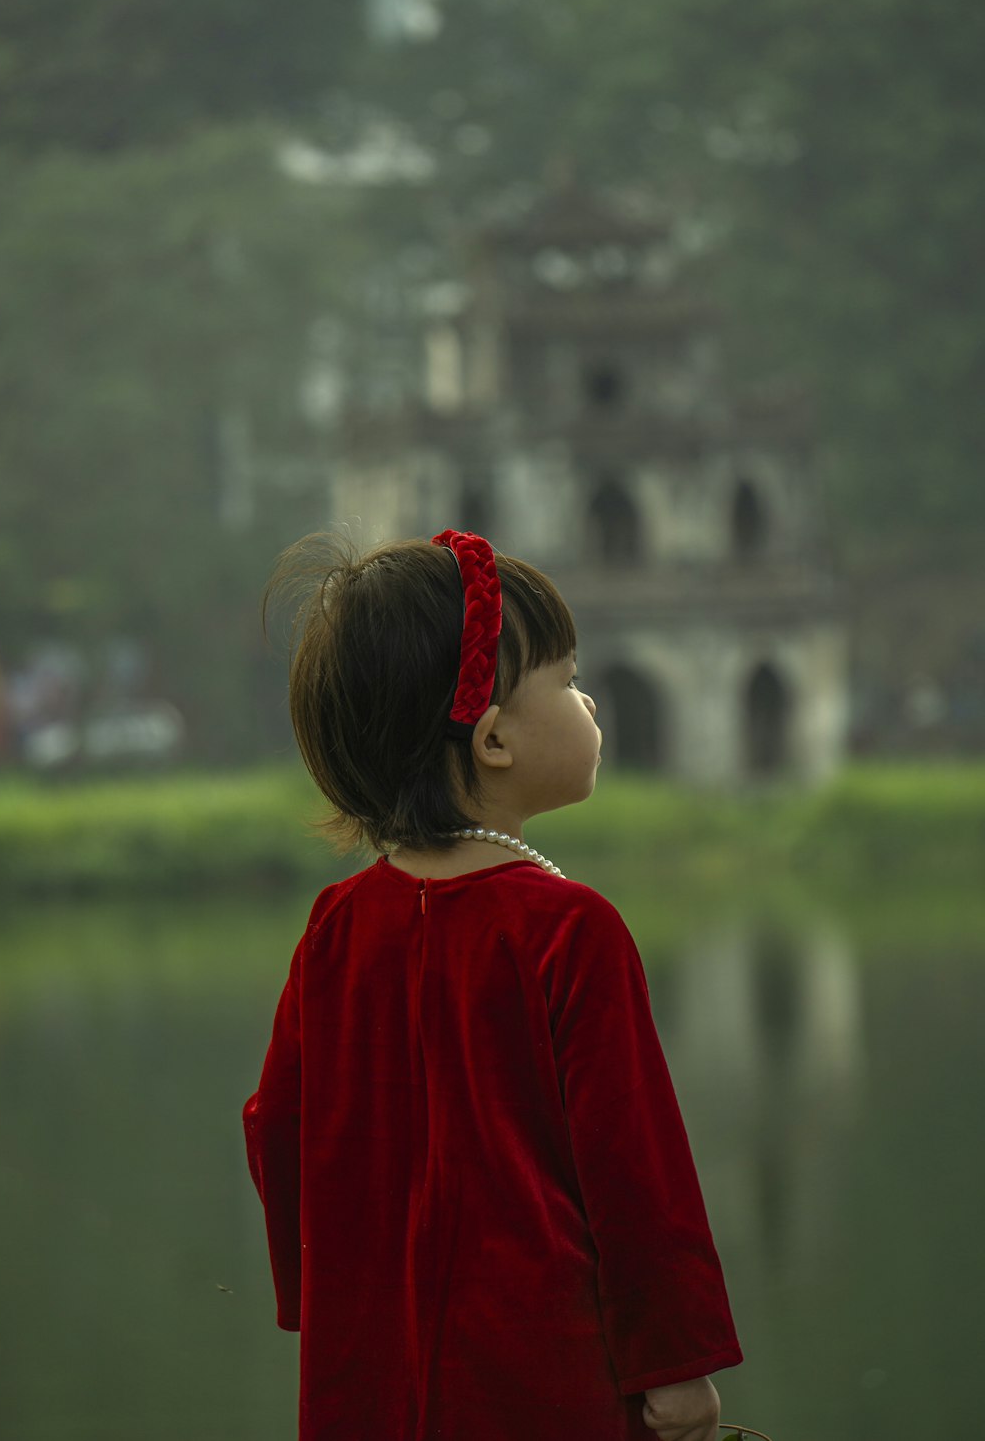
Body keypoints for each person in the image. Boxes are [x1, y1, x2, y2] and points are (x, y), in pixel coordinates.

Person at [243, 528, 743, 1441]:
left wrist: (331, 1297)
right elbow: (635, 1170)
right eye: (566, 679)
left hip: (373, 1369)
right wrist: (676, 1363)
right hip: (543, 1371)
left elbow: (278, 1126)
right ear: (496, 738)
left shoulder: (336, 928)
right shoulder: (567, 927)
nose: (588, 699)